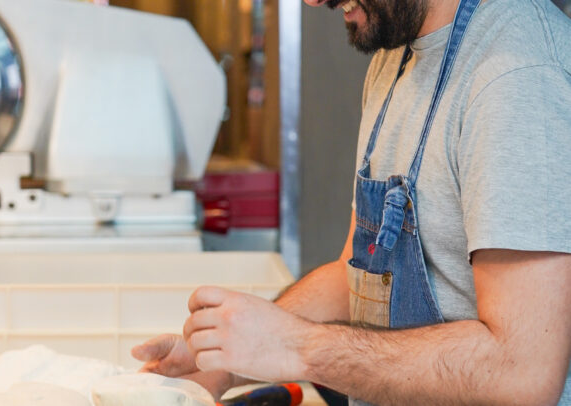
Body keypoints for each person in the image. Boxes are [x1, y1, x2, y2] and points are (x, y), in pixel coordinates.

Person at [132, 0, 571, 404]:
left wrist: (301, 347)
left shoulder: (519, 74)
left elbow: (522, 372)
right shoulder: (393, 56)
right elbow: (354, 276)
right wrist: (222, 359)